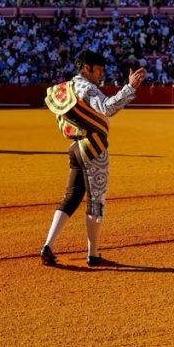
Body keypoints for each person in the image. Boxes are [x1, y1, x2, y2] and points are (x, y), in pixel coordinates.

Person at [41, 50, 146, 267]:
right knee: (96, 201)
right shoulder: (87, 88)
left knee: (71, 197)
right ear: (85, 68)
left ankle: (48, 245)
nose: (101, 74)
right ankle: (93, 254)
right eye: (98, 70)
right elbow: (107, 108)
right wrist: (129, 88)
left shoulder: (67, 87)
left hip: (75, 147)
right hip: (93, 148)